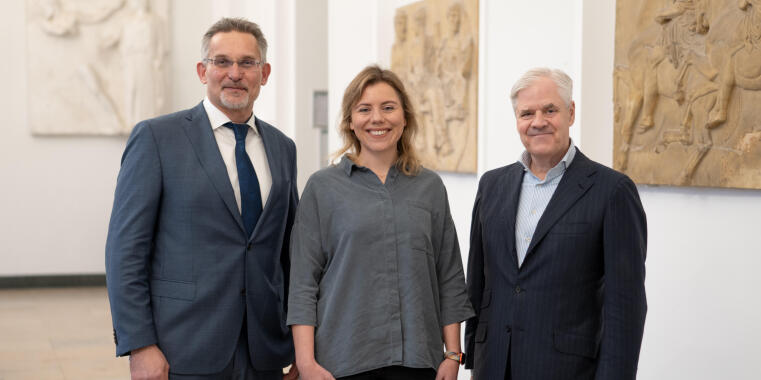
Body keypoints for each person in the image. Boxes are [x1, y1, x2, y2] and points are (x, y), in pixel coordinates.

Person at [106, 18, 298, 380]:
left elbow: (290, 255)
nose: (235, 73)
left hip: (264, 351)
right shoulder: (156, 138)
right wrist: (140, 345)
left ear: (265, 72)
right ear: (202, 70)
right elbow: (125, 251)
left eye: (247, 63)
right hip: (183, 347)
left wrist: (301, 346)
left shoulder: (282, 148)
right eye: (221, 62)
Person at [287, 65, 474, 380]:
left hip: (419, 362)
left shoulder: (429, 187)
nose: (377, 118)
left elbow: (449, 275)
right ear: (350, 121)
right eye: (365, 109)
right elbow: (303, 282)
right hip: (341, 363)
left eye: (388, 108)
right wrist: (306, 363)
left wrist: (452, 354)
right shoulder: (322, 187)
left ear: (405, 118)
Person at [465, 68, 647, 380]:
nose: (538, 122)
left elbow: (625, 305)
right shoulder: (491, 185)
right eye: (527, 113)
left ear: (571, 113)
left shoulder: (612, 191)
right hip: (494, 365)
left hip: (568, 370)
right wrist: (471, 352)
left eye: (550, 110)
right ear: (517, 120)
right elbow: (477, 281)